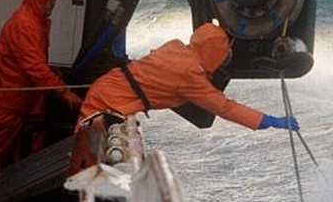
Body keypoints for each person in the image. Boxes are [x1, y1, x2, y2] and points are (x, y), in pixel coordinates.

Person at [0, 0, 82, 184]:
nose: (54, 4)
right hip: (8, 103)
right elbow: (34, 67)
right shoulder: (26, 24)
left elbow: (34, 61)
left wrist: (53, 72)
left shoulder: (36, 20)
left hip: (22, 101)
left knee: (18, 152)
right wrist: (65, 93)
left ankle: (0, 191)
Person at [78, 22, 300, 133]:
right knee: (85, 161)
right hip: (109, 103)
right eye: (222, 57)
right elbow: (225, 108)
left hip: (105, 89)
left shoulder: (176, 48)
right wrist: (268, 121)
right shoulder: (189, 75)